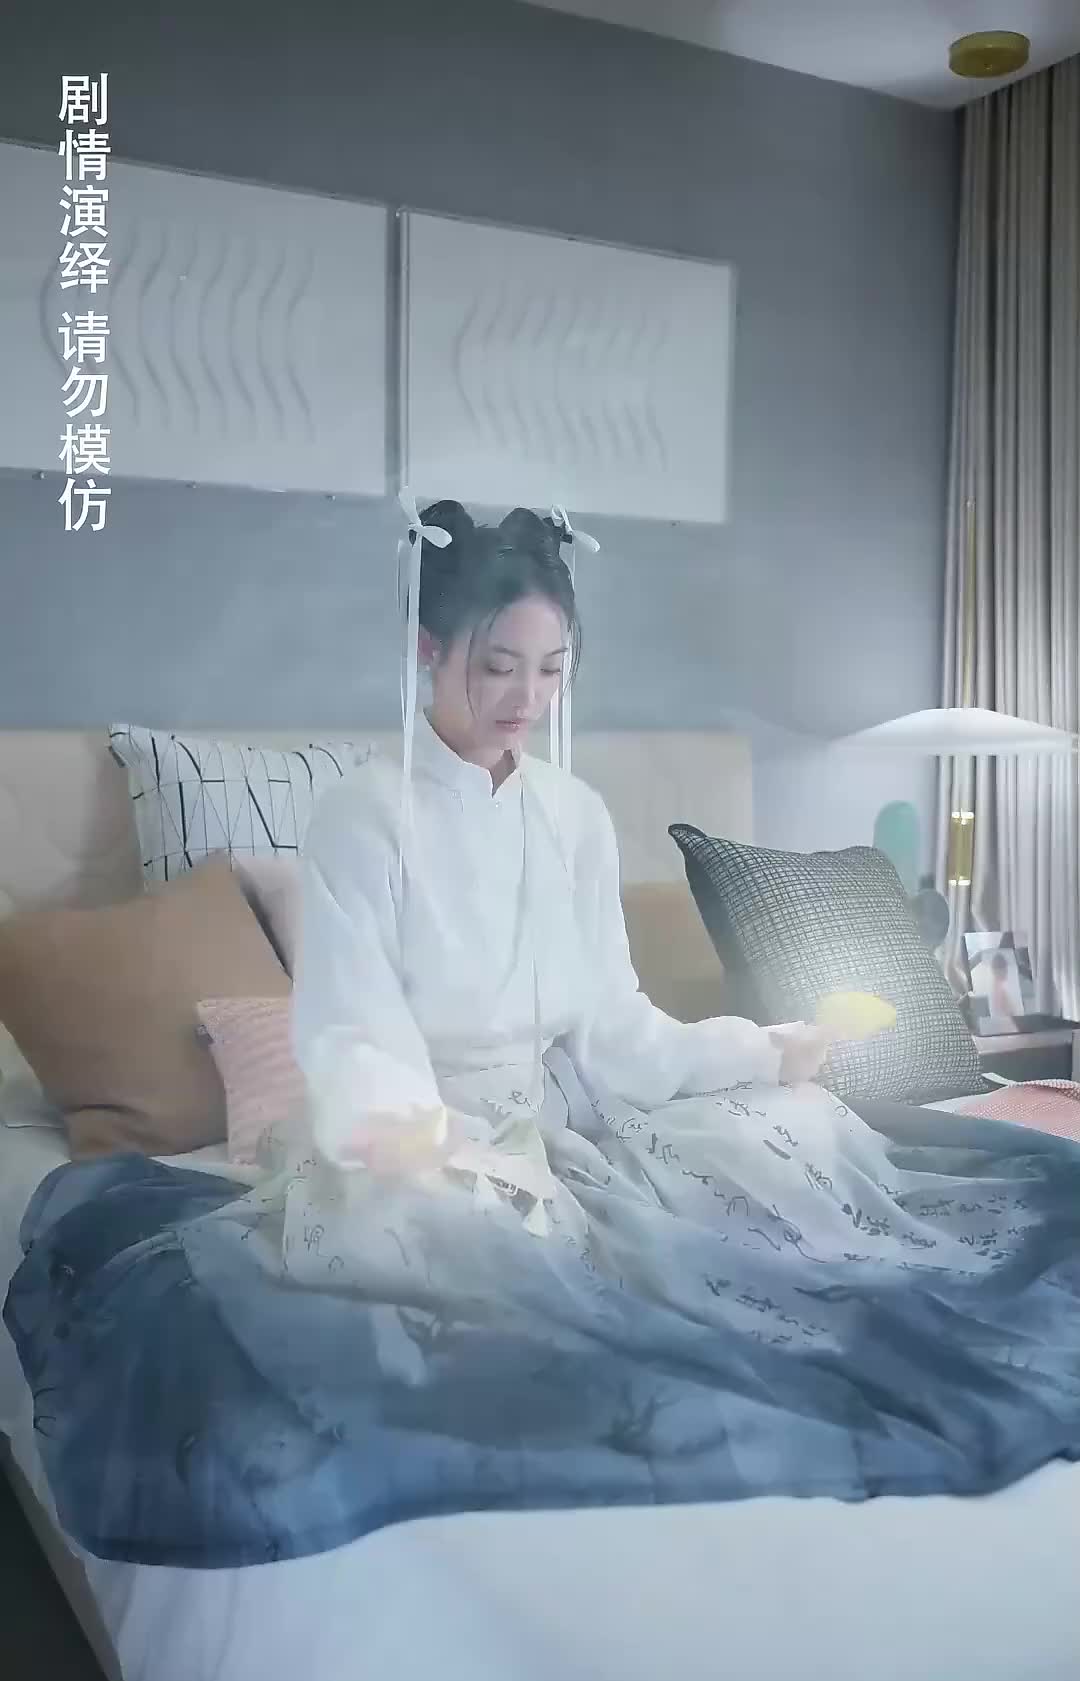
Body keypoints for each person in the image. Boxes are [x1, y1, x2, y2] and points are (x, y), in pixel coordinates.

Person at [278, 501, 1038, 1328]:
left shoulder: (572, 814)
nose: (527, 698)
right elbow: (353, 1034)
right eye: (498, 666)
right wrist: (420, 1139)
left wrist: (765, 1048)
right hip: (408, 1144)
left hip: (549, 1127)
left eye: (551, 669)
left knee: (792, 1136)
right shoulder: (361, 816)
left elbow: (616, 1032)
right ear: (430, 648)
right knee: (480, 1247)